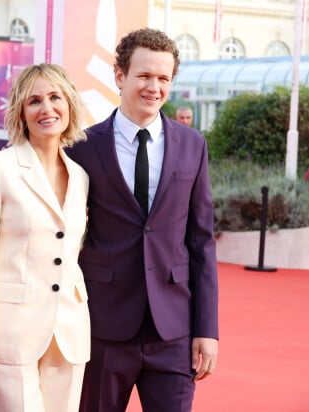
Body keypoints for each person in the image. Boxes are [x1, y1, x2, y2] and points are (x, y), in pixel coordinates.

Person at [66, 28, 219, 412]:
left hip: (173, 330)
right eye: (144, 76)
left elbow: (201, 242)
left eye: (164, 78)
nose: (154, 87)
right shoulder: (82, 147)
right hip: (104, 325)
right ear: (120, 76)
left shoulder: (192, 145)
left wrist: (207, 330)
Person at [0, 63, 90, 412]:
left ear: (69, 104)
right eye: (34, 100)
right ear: (21, 112)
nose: (47, 108)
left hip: (69, 330)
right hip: (9, 333)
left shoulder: (80, 177)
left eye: (55, 97)